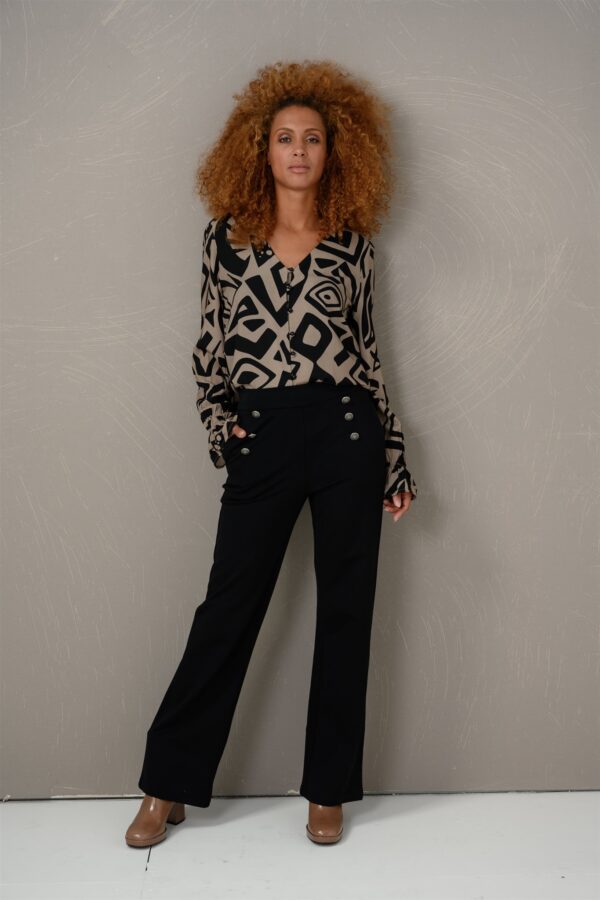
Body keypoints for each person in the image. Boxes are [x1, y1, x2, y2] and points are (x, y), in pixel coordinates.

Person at [125, 59, 417, 849]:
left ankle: (329, 790)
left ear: (334, 151)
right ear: (260, 148)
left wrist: (393, 454)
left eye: (312, 139)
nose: (298, 151)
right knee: (227, 610)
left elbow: (370, 356)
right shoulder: (226, 240)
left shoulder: (354, 247)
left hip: (347, 432)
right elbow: (208, 349)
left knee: (347, 612)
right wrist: (223, 430)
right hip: (264, 436)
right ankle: (166, 784)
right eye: (285, 138)